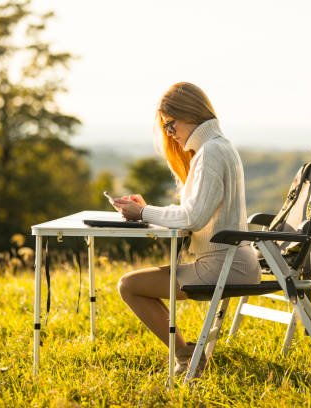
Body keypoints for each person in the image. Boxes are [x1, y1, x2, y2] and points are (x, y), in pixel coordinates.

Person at [112, 82, 260, 376]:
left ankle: (188, 357)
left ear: (188, 113)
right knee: (132, 283)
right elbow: (196, 214)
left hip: (224, 266)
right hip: (231, 262)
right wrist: (147, 212)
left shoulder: (212, 152)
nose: (169, 133)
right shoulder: (217, 147)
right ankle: (189, 355)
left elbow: (193, 217)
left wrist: (142, 211)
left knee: (129, 285)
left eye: (170, 124)